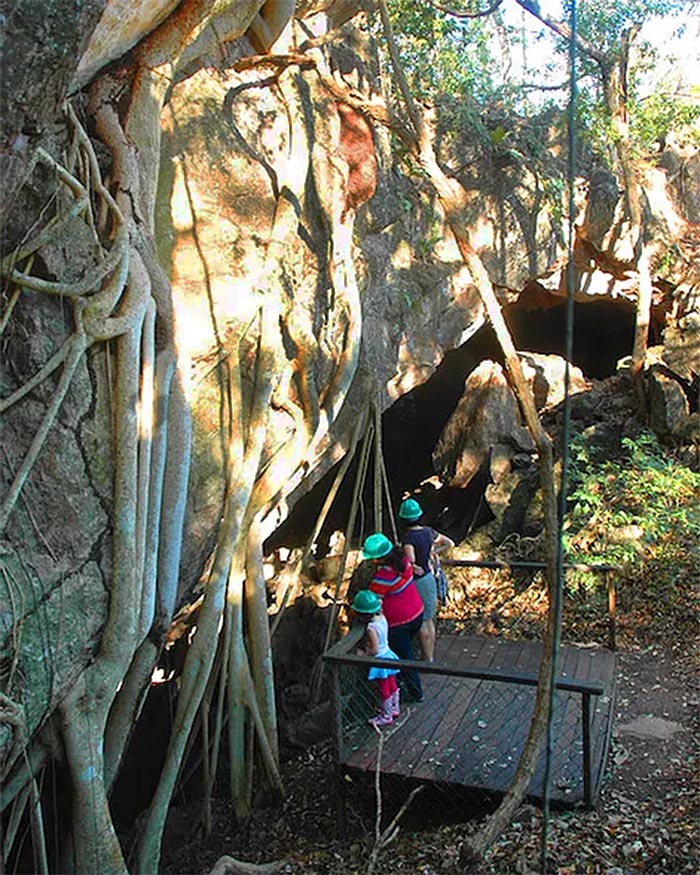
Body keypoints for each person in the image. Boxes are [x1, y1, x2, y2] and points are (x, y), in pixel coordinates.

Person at [362, 532, 424, 702]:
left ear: (378, 559)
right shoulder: (404, 561)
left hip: (400, 623)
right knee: (404, 653)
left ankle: (415, 692)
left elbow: (373, 601)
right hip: (417, 613)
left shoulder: (383, 576)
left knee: (404, 659)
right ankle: (401, 683)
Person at [398, 498, 455, 663]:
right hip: (429, 577)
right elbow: (449, 543)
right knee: (429, 618)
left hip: (418, 581)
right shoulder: (428, 532)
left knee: (421, 620)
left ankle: (426, 657)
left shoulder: (408, 538)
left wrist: (410, 564)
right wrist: (434, 551)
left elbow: (411, 559)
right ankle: (430, 654)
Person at [351, 590, 400, 726]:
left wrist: (363, 654)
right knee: (392, 684)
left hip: (380, 659)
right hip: (389, 654)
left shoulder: (371, 628)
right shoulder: (382, 618)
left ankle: (386, 715)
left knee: (384, 688)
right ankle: (394, 708)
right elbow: (380, 605)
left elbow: (374, 649)